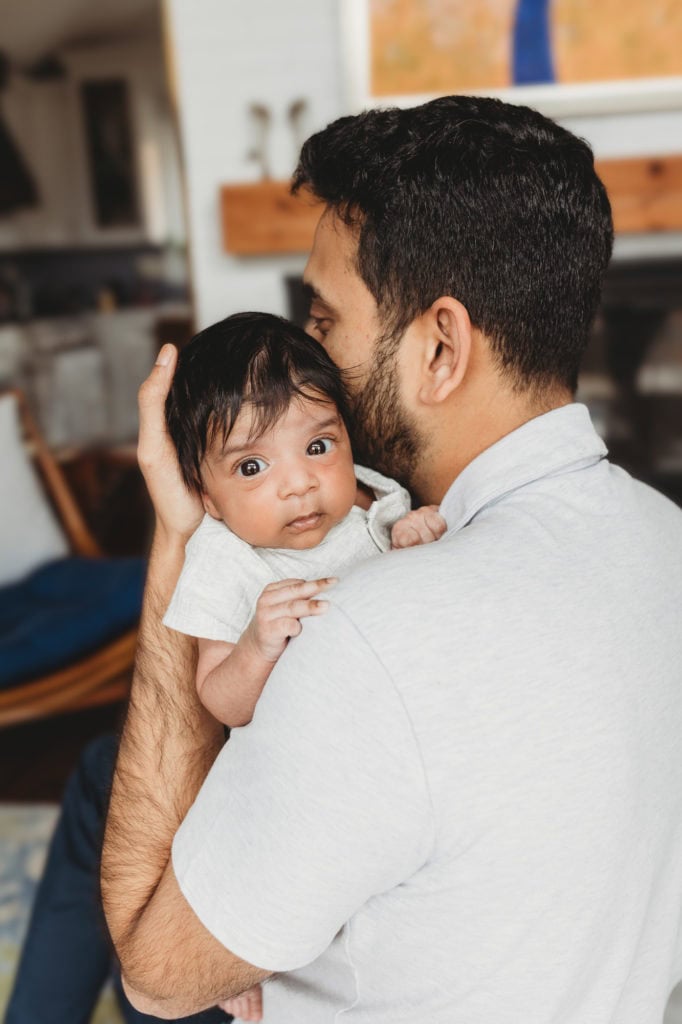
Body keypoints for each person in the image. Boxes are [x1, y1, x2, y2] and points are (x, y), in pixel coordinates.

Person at [9, 93, 682, 1024]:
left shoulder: (369, 634)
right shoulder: (665, 537)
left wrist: (183, 529)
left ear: (440, 348)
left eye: (324, 321)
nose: (309, 357)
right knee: (96, 774)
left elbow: (158, 978)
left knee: (112, 812)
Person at [163, 311, 444, 730]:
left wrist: (420, 545)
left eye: (317, 446)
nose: (299, 484)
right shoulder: (226, 557)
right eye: (252, 467)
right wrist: (256, 645)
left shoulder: (376, 500)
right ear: (209, 498)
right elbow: (222, 704)